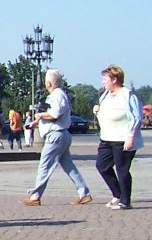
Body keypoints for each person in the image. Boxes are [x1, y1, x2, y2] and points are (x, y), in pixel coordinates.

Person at [22, 69, 92, 206]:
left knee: (44, 166)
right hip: (60, 135)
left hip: (56, 136)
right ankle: (84, 193)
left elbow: (54, 115)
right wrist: (35, 123)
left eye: (45, 80)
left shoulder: (57, 95)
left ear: (49, 82)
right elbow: (52, 115)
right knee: (69, 166)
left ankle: (35, 197)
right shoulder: (57, 95)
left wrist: (40, 116)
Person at [93, 64, 143, 209]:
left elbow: (136, 117)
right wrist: (97, 111)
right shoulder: (105, 95)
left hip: (123, 139)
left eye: (105, 79)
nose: (103, 81)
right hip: (107, 138)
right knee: (102, 166)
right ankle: (117, 194)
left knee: (122, 170)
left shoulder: (128, 95)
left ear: (114, 79)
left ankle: (125, 201)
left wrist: (131, 137)